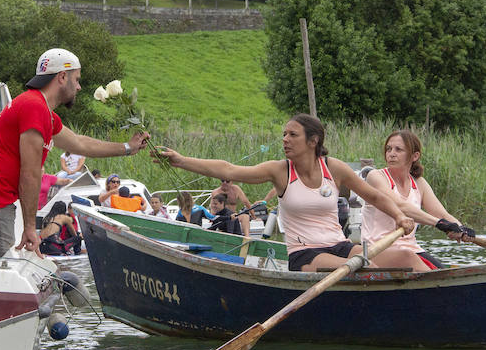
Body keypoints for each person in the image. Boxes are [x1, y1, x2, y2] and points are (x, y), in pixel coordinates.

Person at [0, 48, 150, 263]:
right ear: (62, 76)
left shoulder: (42, 110)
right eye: (76, 79)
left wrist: (128, 147)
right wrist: (30, 227)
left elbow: (79, 143)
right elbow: (30, 172)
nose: (79, 86)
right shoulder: (34, 107)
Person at [160, 114, 416, 272]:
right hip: (305, 254)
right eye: (284, 134)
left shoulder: (333, 168)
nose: (285, 139)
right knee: (364, 267)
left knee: (402, 257)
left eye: (292, 135)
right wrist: (181, 160)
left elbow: (375, 197)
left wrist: (399, 217)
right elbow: (229, 169)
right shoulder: (280, 171)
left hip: (341, 246)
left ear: (313, 140)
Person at [361, 130, 475, 271]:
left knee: (442, 272)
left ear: (415, 156)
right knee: (409, 257)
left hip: (412, 249)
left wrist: (460, 228)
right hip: (377, 250)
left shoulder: (419, 183)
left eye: (398, 149)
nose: (391, 153)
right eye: (388, 149)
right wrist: (439, 224)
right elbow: (401, 206)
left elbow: (441, 213)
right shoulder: (375, 176)